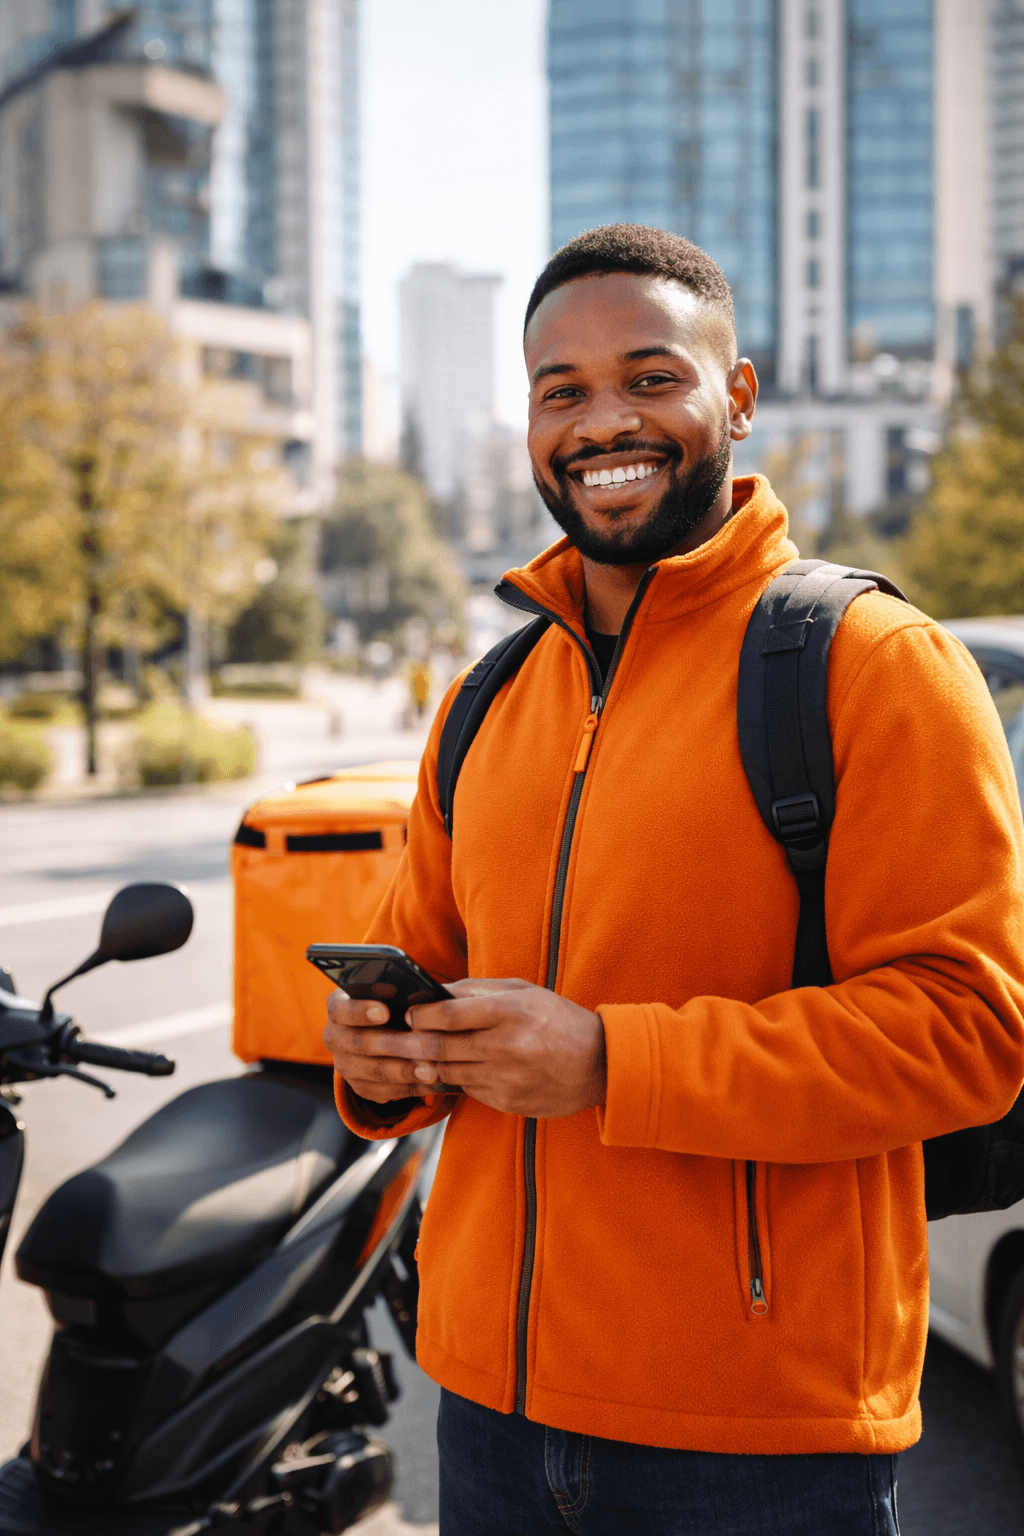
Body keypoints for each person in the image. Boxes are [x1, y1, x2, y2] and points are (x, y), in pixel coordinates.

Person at [323, 225, 1024, 1535]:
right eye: (562, 391)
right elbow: (411, 968)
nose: (603, 424)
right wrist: (377, 1062)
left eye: (651, 378)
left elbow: (970, 1035)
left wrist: (609, 1064)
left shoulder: (873, 664)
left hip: (753, 1431)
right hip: (483, 1404)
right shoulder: (486, 699)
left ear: (737, 398)